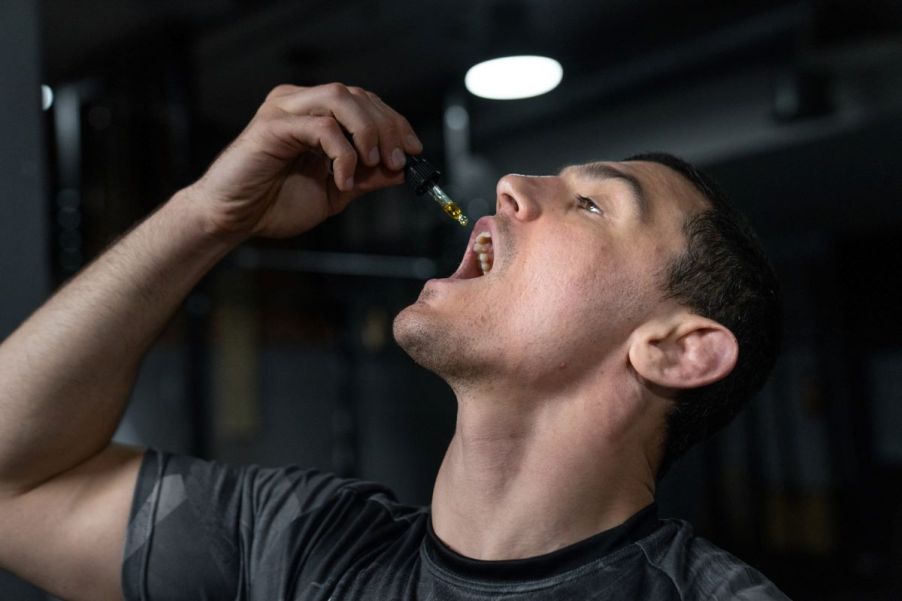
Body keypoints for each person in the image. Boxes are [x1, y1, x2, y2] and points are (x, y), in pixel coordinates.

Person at [0, 83, 788, 600]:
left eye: (590, 206)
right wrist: (208, 214)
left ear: (677, 350)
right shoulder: (297, 549)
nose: (513, 184)